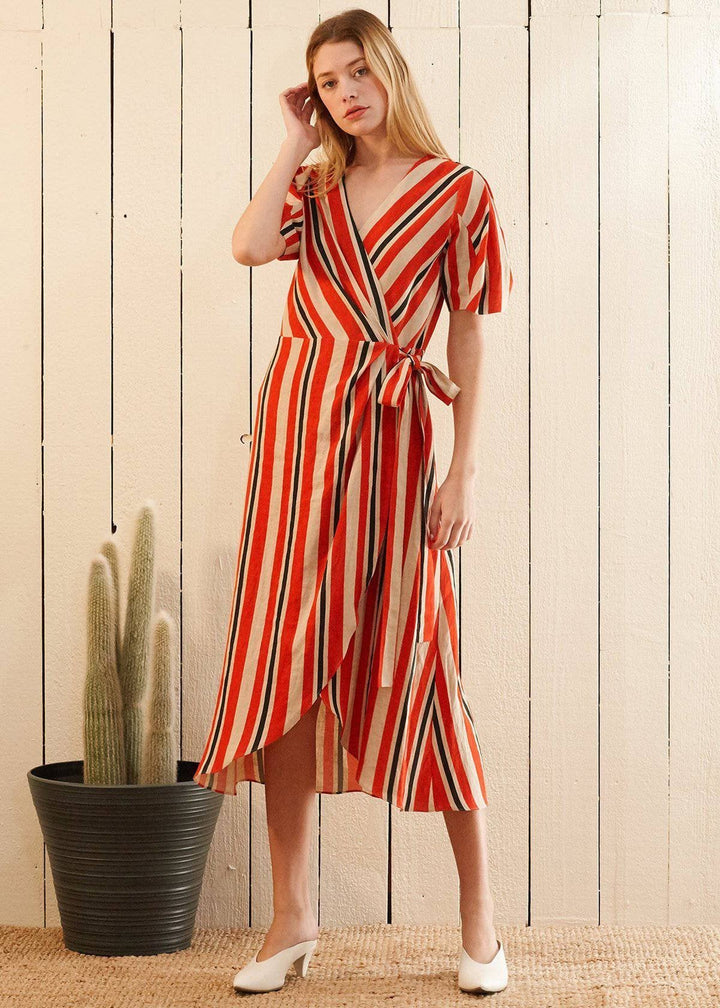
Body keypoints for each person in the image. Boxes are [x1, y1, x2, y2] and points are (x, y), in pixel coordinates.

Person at [193, 7, 513, 996]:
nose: (345, 93)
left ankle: (480, 921)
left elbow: (467, 332)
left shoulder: (460, 191)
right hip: (297, 441)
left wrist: (463, 471)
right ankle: (293, 918)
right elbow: (249, 248)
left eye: (357, 73)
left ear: (390, 71)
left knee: (423, 660)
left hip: (392, 443)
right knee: (284, 662)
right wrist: (294, 139)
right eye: (327, 82)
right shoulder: (316, 186)